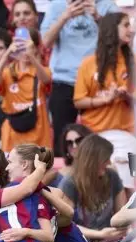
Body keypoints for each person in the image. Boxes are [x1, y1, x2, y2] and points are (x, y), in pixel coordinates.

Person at [41, 0, 118, 155]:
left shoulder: (107, 5)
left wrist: (98, 17)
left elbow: (118, 40)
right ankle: (65, 176)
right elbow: (46, 41)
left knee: (98, 139)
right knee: (63, 140)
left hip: (97, 81)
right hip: (64, 80)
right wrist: (65, 17)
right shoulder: (57, 5)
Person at [73, 12, 136, 188]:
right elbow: (78, 101)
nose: (130, 29)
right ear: (111, 30)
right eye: (125, 25)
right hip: (93, 134)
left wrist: (126, 95)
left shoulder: (134, 62)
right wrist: (103, 100)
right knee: (97, 189)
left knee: (128, 188)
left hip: (125, 134)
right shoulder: (88, 64)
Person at [59, 134, 127, 242]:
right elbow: (63, 224)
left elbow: (121, 214)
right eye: (105, 159)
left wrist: (121, 227)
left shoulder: (112, 177)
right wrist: (99, 234)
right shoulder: (70, 183)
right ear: (93, 160)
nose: (109, 163)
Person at [0, 27, 52, 153]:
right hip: (12, 137)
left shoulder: (42, 71)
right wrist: (6, 54)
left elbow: (46, 80)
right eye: (21, 46)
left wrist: (32, 56)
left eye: (29, 46)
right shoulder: (7, 73)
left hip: (39, 136)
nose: (24, 51)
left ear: (36, 48)